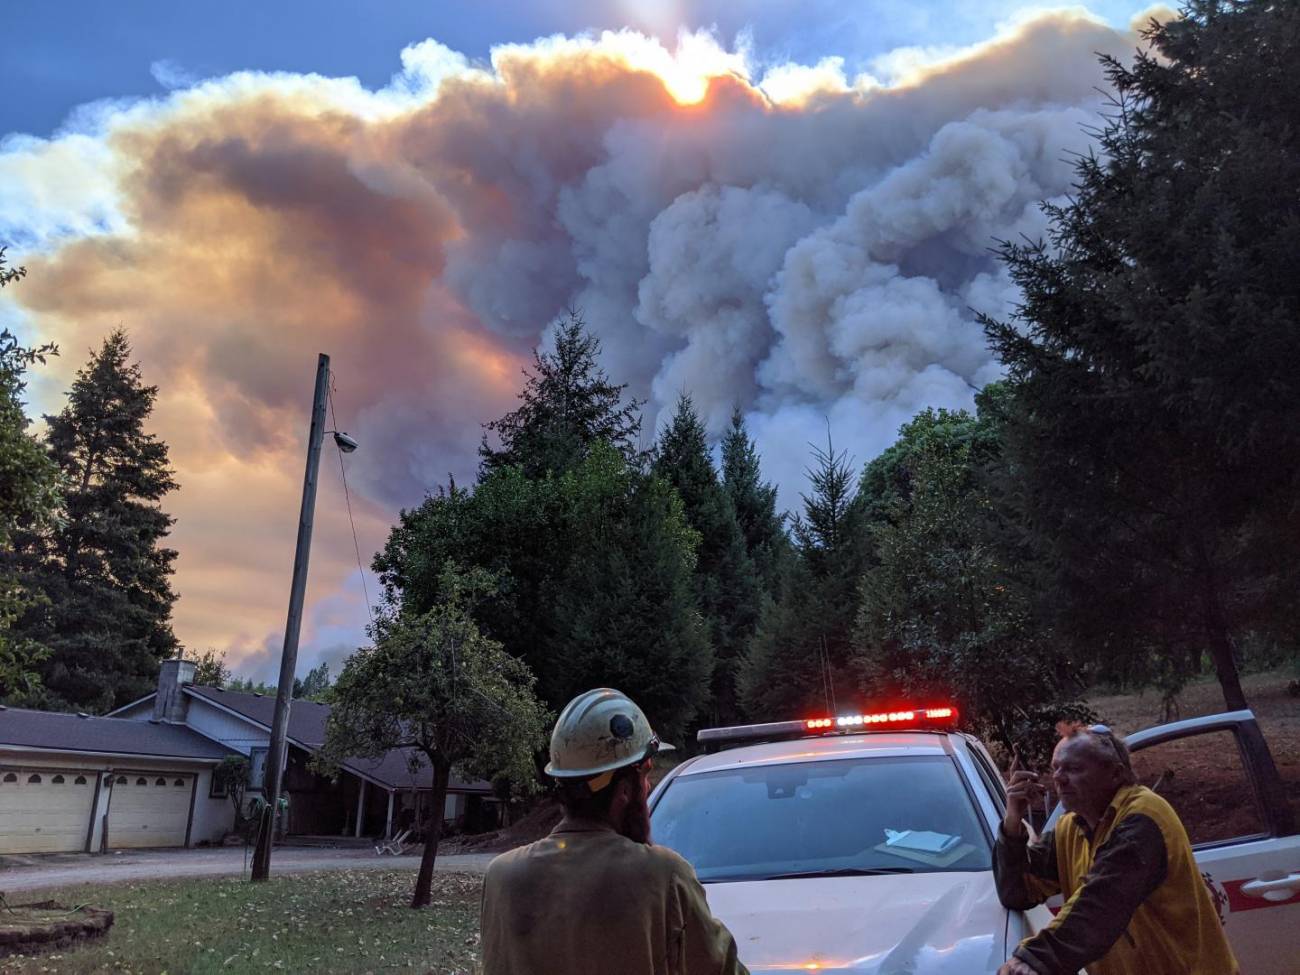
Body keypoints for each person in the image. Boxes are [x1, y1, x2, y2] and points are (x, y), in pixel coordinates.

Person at [479, 687, 750, 975]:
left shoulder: (500, 878)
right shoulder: (663, 876)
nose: (647, 787)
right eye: (644, 773)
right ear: (623, 792)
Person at [994, 725, 1238, 975]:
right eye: (1056, 768)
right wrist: (1013, 821)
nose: (1058, 778)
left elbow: (1103, 902)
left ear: (1115, 774)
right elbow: (1017, 892)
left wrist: (1035, 959)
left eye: (1074, 768)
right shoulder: (1070, 828)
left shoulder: (1144, 817)